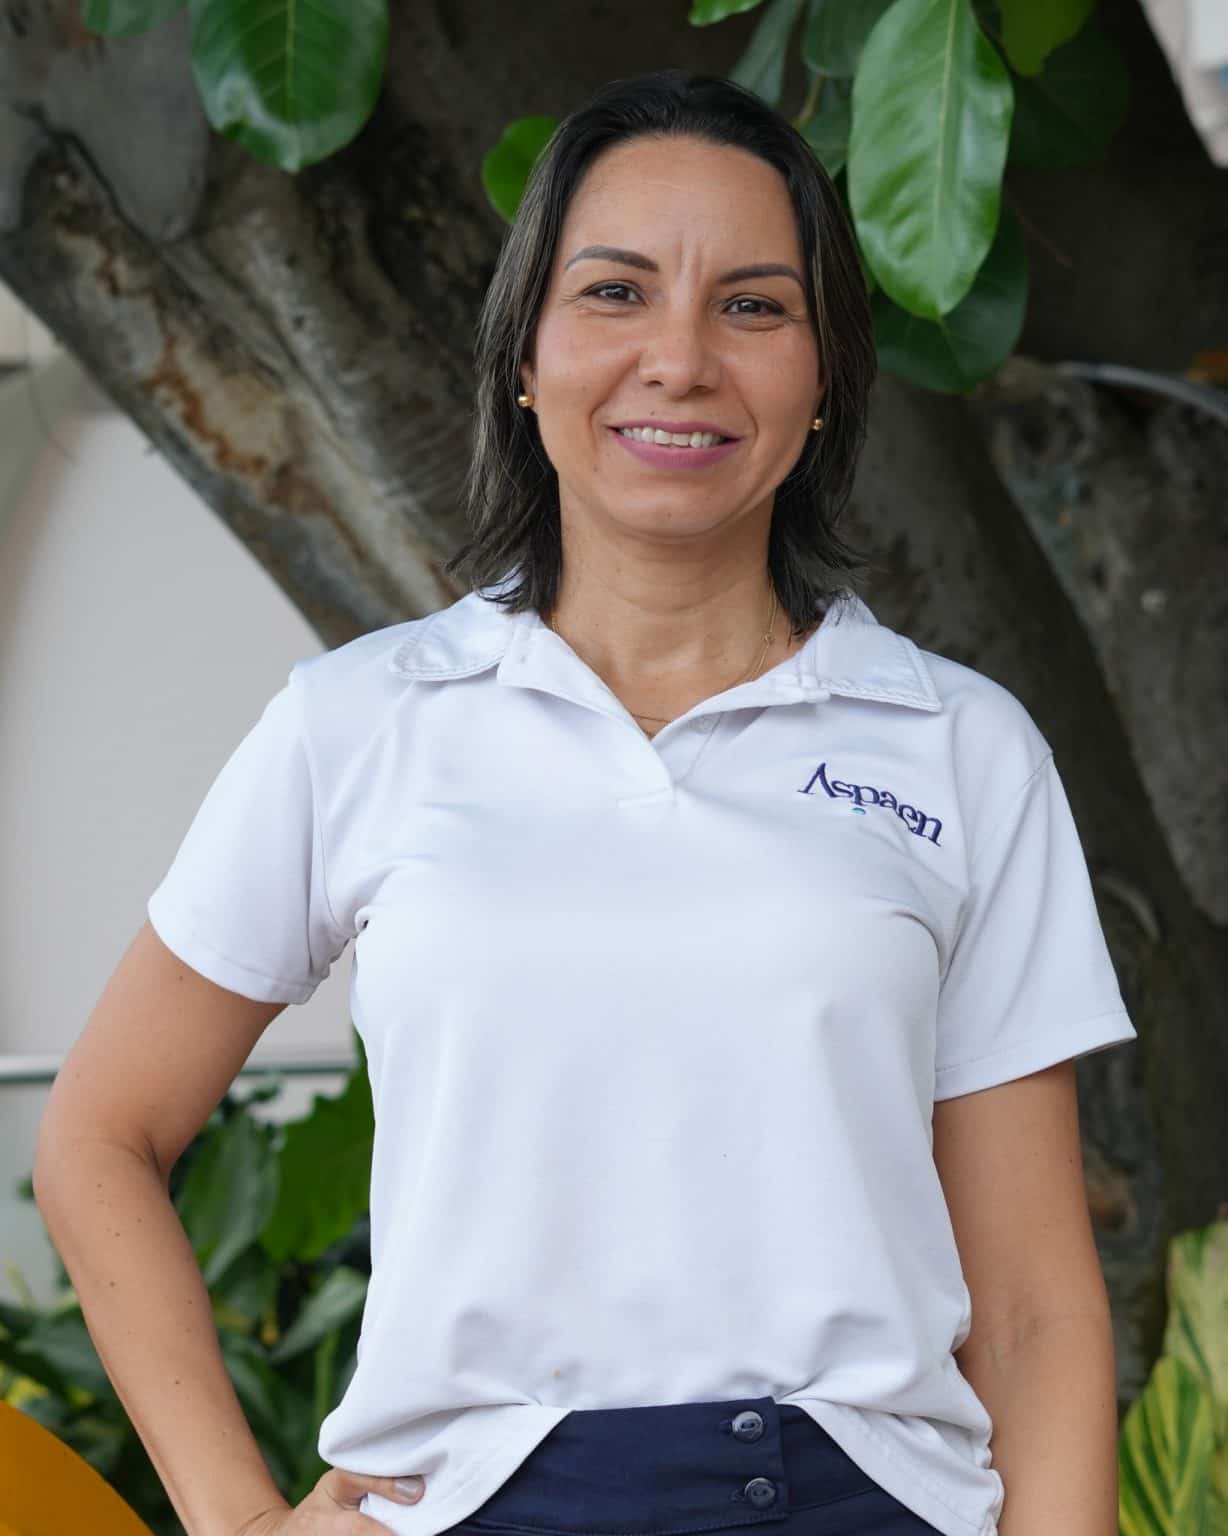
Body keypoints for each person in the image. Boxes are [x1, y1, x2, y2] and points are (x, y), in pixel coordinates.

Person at [33, 67, 1138, 1536]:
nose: (679, 359)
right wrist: (238, 1519)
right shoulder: (359, 725)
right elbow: (98, 1139)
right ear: (524, 357)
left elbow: (1038, 1309)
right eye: (615, 293)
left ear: (824, 381)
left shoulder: (960, 748)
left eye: (753, 306)